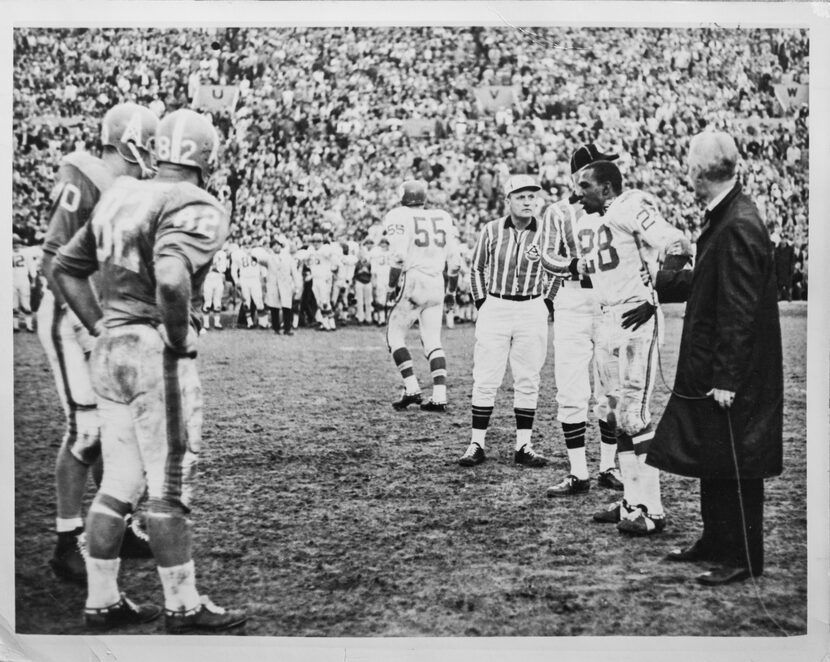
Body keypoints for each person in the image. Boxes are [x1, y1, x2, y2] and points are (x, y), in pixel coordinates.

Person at [53, 108, 247, 632]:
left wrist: (101, 328)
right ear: (208, 157)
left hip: (110, 347)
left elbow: (64, 269)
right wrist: (178, 337)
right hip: (152, 352)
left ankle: (102, 599)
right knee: (167, 486)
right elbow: (169, 274)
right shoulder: (195, 201)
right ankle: (182, 606)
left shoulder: (120, 192)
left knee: (116, 480)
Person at [648, 131, 783, 585]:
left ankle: (742, 555)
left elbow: (739, 310)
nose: (685, 173)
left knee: (739, 458)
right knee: (716, 452)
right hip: (717, 365)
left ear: (700, 173)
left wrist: (727, 377)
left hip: (736, 371)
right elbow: (711, 285)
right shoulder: (725, 216)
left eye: (688, 166)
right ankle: (715, 539)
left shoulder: (738, 223)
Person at [36, 102, 158, 584]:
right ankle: (67, 543)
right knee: (86, 432)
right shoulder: (82, 175)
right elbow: (54, 261)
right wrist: (98, 327)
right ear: (132, 143)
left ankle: (120, 524)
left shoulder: (124, 189)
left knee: (118, 430)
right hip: (72, 318)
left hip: (99, 317)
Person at [544, 160, 691, 535]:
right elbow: (597, 266)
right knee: (611, 415)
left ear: (607, 188)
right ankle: (631, 501)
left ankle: (652, 511)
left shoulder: (630, 206)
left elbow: (677, 243)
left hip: (634, 319)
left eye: (586, 186)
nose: (579, 194)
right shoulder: (599, 217)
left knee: (632, 417)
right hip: (607, 316)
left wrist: (657, 294)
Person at [542, 144, 624, 497]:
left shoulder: (620, 207)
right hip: (574, 297)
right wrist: (573, 265)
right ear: (580, 175)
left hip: (610, 298)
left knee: (613, 387)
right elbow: (546, 254)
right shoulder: (559, 212)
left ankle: (608, 465)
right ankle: (578, 471)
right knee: (572, 387)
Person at [457, 174, 552, 469]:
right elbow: (476, 270)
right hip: (496, 305)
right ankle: (476, 443)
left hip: (532, 306)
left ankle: (524, 444)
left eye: (531, 197)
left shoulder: (547, 232)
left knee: (528, 377)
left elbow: (557, 271)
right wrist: (483, 302)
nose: (527, 202)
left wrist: (546, 303)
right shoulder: (492, 229)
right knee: (486, 376)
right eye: (521, 196)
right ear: (508, 201)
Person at [382, 180, 461, 412]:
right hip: (437, 281)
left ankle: (412, 387)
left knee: (394, 336)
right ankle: (439, 395)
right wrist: (451, 292)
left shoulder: (399, 215)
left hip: (414, 279)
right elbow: (454, 263)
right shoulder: (442, 217)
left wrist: (390, 286)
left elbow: (398, 257)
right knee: (433, 341)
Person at [201, 243, 228, 332]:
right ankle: (206, 324)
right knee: (207, 302)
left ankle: (217, 323)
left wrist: (214, 268)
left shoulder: (222, 254)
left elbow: (223, 269)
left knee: (217, 302)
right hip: (208, 279)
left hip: (218, 279)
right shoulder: (205, 252)